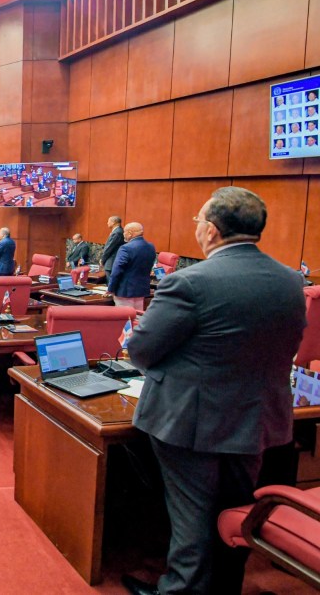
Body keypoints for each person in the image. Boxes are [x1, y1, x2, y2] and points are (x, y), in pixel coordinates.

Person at [121, 187, 307, 595]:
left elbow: (141, 350)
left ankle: (180, 590)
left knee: (192, 520)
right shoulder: (291, 281)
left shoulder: (190, 282)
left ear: (211, 231)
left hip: (190, 423)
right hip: (256, 420)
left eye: (196, 221)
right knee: (233, 514)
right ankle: (224, 586)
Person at [107, 222, 155, 311]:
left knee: (125, 320)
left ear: (130, 233)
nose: (123, 234)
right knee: (137, 319)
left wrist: (110, 289)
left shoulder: (125, 248)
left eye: (124, 232)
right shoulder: (150, 247)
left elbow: (117, 270)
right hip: (141, 290)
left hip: (124, 291)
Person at [101, 215, 124, 282]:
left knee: (110, 282)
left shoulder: (117, 232)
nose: (107, 223)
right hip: (111, 260)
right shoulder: (117, 231)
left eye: (108, 221)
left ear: (113, 222)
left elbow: (109, 247)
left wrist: (103, 259)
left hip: (112, 261)